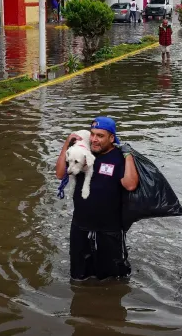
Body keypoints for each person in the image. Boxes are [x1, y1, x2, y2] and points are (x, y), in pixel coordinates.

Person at [55, 117, 139, 281]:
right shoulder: (83, 153)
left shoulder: (119, 157)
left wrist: (128, 155)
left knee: (113, 279)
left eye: (100, 136)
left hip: (109, 230)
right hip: (80, 227)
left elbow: (130, 185)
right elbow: (59, 174)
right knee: (78, 278)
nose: (94, 139)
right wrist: (67, 144)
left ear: (111, 138)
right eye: (92, 134)